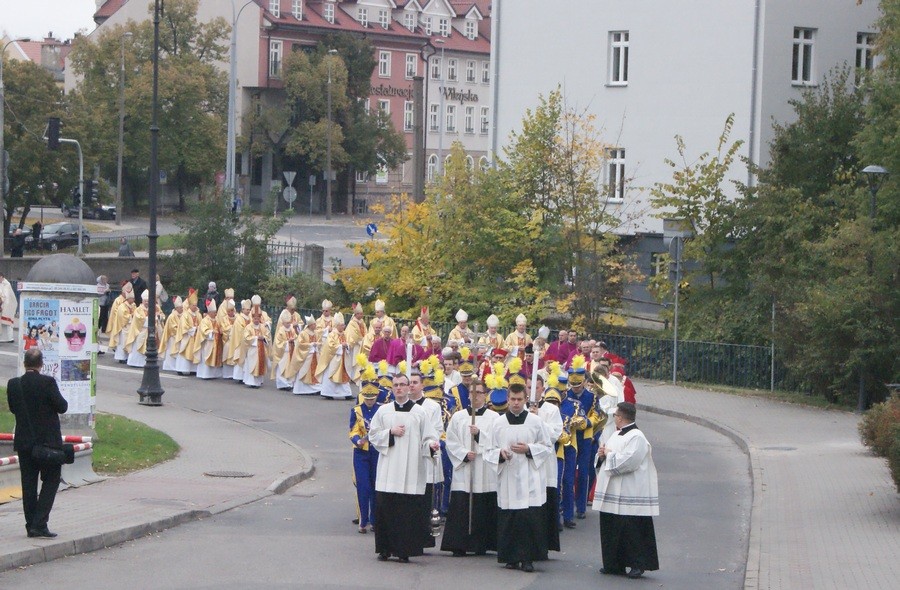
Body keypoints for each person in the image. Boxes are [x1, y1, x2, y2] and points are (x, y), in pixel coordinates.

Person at [368, 373, 440, 563]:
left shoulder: (420, 413)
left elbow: (428, 437)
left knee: (406, 513)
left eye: (402, 385)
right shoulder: (383, 411)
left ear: (409, 388)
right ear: (392, 388)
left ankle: (403, 550)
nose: (399, 388)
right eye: (395, 385)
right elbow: (373, 435)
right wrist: (390, 432)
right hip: (389, 468)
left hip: (411, 470)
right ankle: (384, 548)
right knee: (386, 509)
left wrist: (431, 446)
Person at [485, 378, 552, 572]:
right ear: (507, 398)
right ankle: (510, 557)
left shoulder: (535, 421)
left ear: (525, 399)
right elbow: (488, 450)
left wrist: (529, 449)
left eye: (519, 399)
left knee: (528, 519)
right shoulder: (498, 423)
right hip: (507, 476)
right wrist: (500, 454)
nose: (515, 403)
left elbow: (547, 447)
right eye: (513, 399)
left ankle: (528, 559)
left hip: (529, 477)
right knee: (509, 518)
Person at [593, 402, 660, 579]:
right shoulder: (616, 434)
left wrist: (608, 455)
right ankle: (614, 564)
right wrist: (601, 455)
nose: (614, 417)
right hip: (613, 492)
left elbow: (630, 461)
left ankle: (638, 564)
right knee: (612, 528)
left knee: (632, 531)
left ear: (621, 417)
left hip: (631, 492)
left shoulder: (637, 437)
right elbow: (606, 455)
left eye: (615, 415)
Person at [7, 348, 69, 538]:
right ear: (41, 364)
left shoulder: (14, 384)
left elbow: (12, 408)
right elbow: (62, 406)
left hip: (25, 442)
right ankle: (40, 523)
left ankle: (30, 524)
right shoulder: (47, 382)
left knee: (28, 484)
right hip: (47, 443)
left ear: (25, 363)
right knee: (51, 480)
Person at [441, 379, 500, 556]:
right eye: (472, 393)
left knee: (483, 506)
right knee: (462, 505)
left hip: (484, 470)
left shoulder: (494, 418)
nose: (475, 397)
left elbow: (497, 442)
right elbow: (450, 441)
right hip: (465, 469)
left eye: (479, 393)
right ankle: (459, 544)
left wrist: (480, 435)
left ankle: (482, 543)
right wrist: (464, 454)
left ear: (485, 395)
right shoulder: (458, 417)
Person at [349, 364, 382, 534]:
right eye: (367, 397)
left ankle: (376, 520)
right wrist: (357, 440)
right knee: (363, 486)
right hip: (361, 453)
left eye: (372, 397)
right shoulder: (356, 410)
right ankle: (363, 520)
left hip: (377, 452)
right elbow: (353, 430)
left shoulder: (382, 410)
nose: (370, 400)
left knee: (376, 485)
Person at [316, 312, 353, 399]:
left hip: (343, 358)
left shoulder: (345, 334)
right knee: (331, 374)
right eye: (341, 325)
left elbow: (350, 342)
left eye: (344, 325)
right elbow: (330, 346)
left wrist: (347, 345)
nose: (343, 327)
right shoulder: (332, 334)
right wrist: (341, 346)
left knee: (344, 374)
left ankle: (347, 393)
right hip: (334, 359)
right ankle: (328, 393)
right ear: (337, 325)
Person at [290, 316, 321, 395]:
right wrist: (310, 345)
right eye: (314, 324)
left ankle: (314, 389)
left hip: (314, 355)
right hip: (306, 356)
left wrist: (317, 345)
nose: (315, 325)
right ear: (310, 325)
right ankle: (302, 389)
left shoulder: (316, 333)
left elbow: (320, 342)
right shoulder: (303, 333)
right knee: (305, 372)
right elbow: (299, 344)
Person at [197, 300, 224, 380]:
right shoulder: (205, 320)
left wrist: (220, 330)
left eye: (215, 312)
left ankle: (214, 374)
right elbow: (204, 331)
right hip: (208, 343)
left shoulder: (216, 320)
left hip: (216, 342)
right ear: (209, 312)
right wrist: (212, 332)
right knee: (208, 357)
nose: (215, 314)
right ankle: (205, 374)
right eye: (214, 312)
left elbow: (220, 328)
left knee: (216, 357)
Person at [0, 271, 18, 342]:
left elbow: (6, 295)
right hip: (2, 304)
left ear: (2, 277)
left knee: (8, 321)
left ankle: (10, 338)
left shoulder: (6, 284)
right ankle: (3, 337)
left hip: (7, 305)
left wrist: (2, 302)